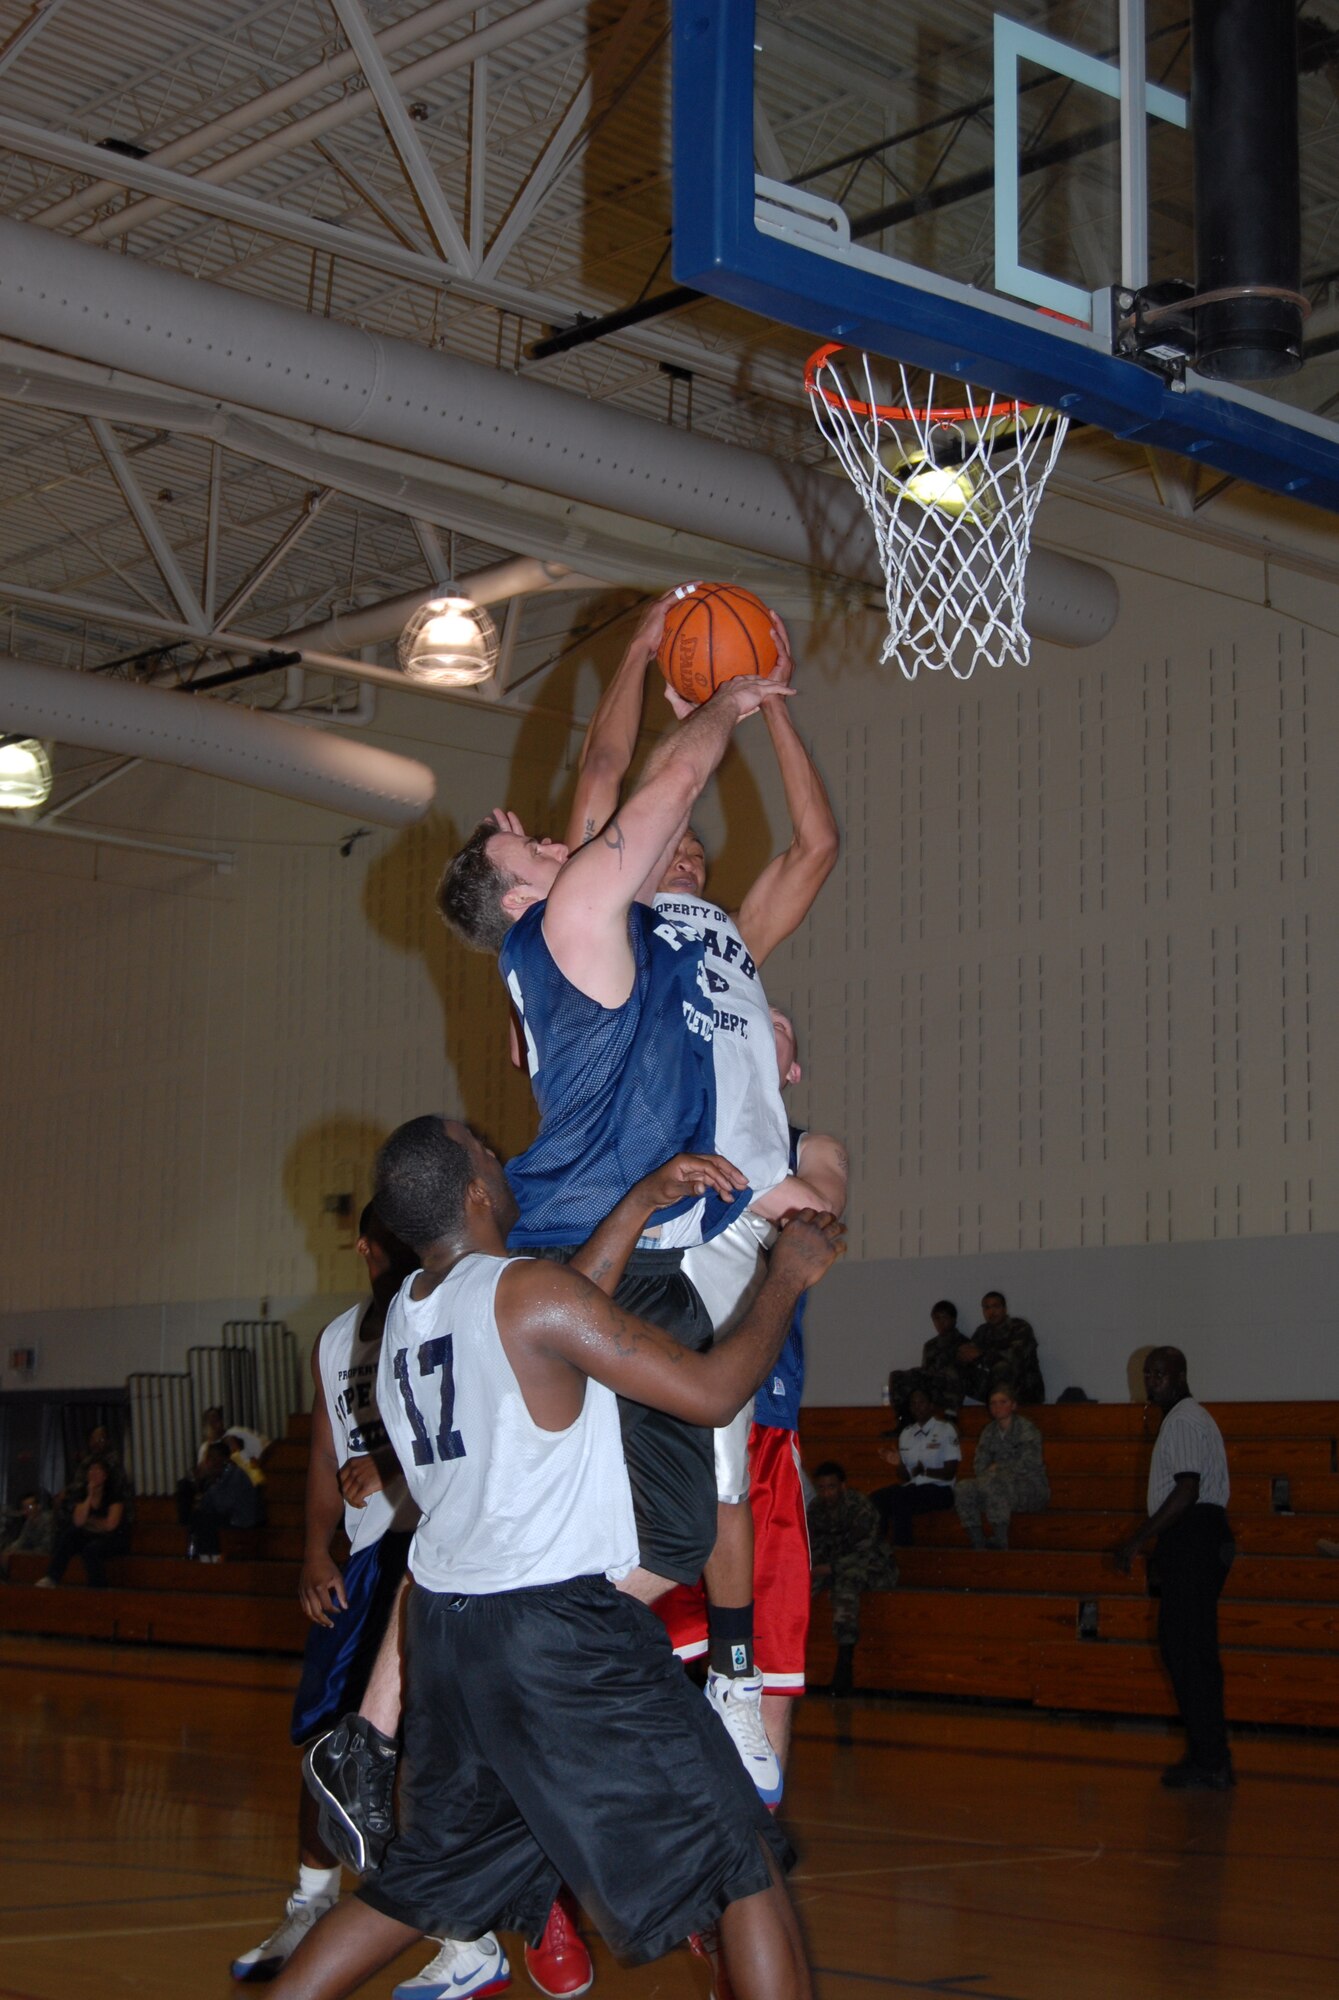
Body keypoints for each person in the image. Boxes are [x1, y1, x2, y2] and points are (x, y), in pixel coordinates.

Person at [280, 1117, 843, 2000]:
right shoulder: (526, 1295)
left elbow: (561, 1306)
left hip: (449, 1638)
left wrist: (638, 1202)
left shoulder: (407, 1319)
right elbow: (712, 1391)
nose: (505, 1166)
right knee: (740, 1858)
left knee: (420, 1883)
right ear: (475, 1193)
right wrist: (785, 1279)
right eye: (489, 1158)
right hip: (556, 1635)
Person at [562, 596, 839, 1795]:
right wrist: (632, 657)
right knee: (663, 1469)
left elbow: (815, 847)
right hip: (653, 1207)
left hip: (738, 1211)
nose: (681, 847)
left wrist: (770, 707)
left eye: (691, 847)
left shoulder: (727, 934)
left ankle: (729, 1677)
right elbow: (605, 774)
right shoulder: (612, 919)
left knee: (722, 1462)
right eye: (664, 837)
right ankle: (588, 1641)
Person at [233, 1205, 433, 1986]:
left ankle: (458, 1927)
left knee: (431, 1751)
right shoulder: (337, 1335)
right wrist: (315, 1548)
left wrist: (389, 1469)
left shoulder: (444, 1315)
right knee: (325, 1739)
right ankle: (309, 1905)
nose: (370, 1249)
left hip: (434, 1556)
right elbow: (323, 1454)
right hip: (361, 1562)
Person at [656, 1007, 848, 1778]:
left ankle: (757, 1837)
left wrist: (733, 1133)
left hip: (756, 1419)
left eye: (773, 1021)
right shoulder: (670, 1130)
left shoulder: (811, 1148)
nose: (750, 1019)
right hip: (660, 1410)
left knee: (766, 1651)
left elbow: (817, 1215)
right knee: (645, 1644)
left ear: (790, 1070)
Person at [1114, 1347, 1235, 1790]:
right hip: (1196, 1538)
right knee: (1187, 1650)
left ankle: (1211, 1759)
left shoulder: (1183, 1419)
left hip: (1196, 1534)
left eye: (1160, 1374)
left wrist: (1137, 1538)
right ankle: (1209, 1753)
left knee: (1188, 1652)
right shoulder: (1187, 1418)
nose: (1152, 1381)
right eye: (1148, 1374)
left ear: (1181, 1375)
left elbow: (1187, 1489)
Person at [806, 1462, 898, 1696]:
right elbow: (813, 1545)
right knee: (800, 1588)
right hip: (832, 1566)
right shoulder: (816, 1509)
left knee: (845, 1586)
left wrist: (831, 1567)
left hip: (871, 1566)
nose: (827, 1493)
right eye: (822, 1488)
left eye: (832, 1487)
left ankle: (844, 1664)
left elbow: (866, 1550)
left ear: (843, 1486)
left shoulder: (860, 1508)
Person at [953, 1386, 1049, 1550]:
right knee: (963, 1488)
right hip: (995, 1485)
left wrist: (1000, 1468)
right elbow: (980, 1465)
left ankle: (1000, 1540)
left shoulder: (1026, 1429)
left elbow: (1030, 1463)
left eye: (1003, 1402)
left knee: (995, 1484)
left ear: (1013, 1405)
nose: (997, 1407)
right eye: (993, 1403)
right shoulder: (988, 1432)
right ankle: (978, 1541)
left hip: (1028, 1488)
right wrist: (993, 1473)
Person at [871, 1388, 960, 1546]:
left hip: (941, 1490)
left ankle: (904, 1549)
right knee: (877, 1498)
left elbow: (950, 1472)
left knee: (901, 1497)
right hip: (913, 1488)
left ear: (931, 1405)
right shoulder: (906, 1434)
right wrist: (898, 1463)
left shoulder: (945, 1430)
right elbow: (906, 1477)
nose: (917, 1407)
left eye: (921, 1403)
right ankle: (878, 1549)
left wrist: (924, 1471)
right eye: (913, 1404)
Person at [37, 1456, 131, 1587]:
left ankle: (98, 1588)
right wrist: (90, 1496)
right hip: (91, 1535)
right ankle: (52, 1577)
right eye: (91, 1471)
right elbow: (78, 1521)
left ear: (105, 1476)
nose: (93, 1474)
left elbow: (110, 1525)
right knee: (69, 1535)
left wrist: (90, 1521)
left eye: (98, 1471)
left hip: (114, 1538)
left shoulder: (113, 1495)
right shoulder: (82, 1494)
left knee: (91, 1550)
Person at [179, 1439, 267, 1558]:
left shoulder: (237, 1475)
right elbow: (205, 1505)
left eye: (210, 1458)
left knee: (204, 1521)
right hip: (229, 1521)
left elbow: (223, 1505)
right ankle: (201, 1557)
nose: (206, 1463)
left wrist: (210, 1486)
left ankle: (208, 1559)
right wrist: (199, 1483)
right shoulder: (218, 1478)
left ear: (220, 1460)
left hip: (242, 1526)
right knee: (197, 1517)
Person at [958, 1292, 1045, 1406]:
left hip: (1025, 1389)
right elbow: (972, 1354)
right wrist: (963, 1355)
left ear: (1005, 1309)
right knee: (953, 1370)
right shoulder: (982, 1331)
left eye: (996, 1306)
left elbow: (1015, 1357)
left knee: (1002, 1367)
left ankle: (1000, 1405)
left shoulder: (1020, 1326)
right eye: (986, 1308)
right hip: (993, 1387)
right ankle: (951, 1413)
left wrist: (981, 1354)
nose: (991, 1312)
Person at [887, 1300, 965, 1421]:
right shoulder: (930, 1345)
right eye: (936, 1319)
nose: (940, 1322)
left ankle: (951, 1417)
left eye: (944, 1318)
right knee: (897, 1376)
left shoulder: (963, 1343)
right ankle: (903, 1419)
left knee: (950, 1372)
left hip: (951, 1390)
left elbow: (963, 1375)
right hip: (932, 1388)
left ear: (954, 1319)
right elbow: (925, 1371)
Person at [0, 1490, 54, 1576]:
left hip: (46, 1559)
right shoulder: (28, 1522)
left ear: (38, 1506)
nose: (27, 1511)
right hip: (32, 1556)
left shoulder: (48, 1520)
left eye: (29, 1507)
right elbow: (21, 1540)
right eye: (24, 1508)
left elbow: (46, 1547)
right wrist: (9, 1549)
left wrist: (22, 1552)